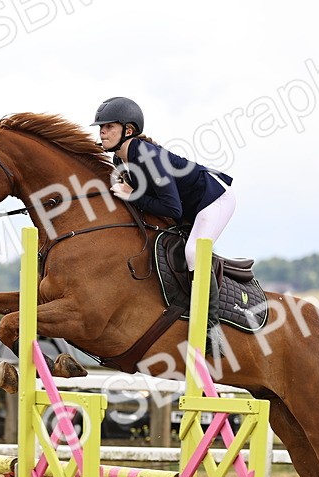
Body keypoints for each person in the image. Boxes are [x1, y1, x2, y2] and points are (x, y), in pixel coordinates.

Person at [92, 96, 235, 351]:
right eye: (101, 127)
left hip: (213, 200)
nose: (102, 131)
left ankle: (211, 330)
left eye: (109, 126)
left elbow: (172, 207)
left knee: (193, 252)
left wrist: (132, 195)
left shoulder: (146, 156)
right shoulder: (120, 161)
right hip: (189, 208)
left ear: (128, 130)